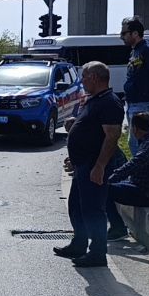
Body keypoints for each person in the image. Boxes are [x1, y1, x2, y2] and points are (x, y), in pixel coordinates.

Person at [54, 61, 124, 268]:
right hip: (83, 164)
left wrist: (100, 166)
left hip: (94, 166)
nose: (82, 81)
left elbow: (112, 136)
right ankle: (79, 243)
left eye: (84, 77)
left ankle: (97, 253)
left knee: (93, 210)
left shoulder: (110, 102)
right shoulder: (95, 100)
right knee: (77, 207)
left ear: (94, 77)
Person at [104, 112, 149, 239]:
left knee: (105, 189)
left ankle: (118, 228)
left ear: (135, 128)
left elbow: (134, 165)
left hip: (147, 194)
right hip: (140, 187)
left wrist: (112, 178)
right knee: (109, 184)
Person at [120, 16, 149, 157]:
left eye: (124, 33)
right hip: (132, 102)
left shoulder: (147, 49)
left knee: (136, 142)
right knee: (134, 142)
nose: (121, 37)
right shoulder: (135, 50)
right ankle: (141, 171)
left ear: (135, 33)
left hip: (142, 102)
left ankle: (142, 172)